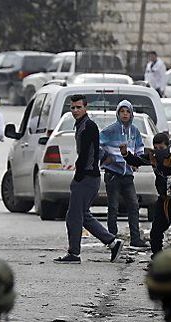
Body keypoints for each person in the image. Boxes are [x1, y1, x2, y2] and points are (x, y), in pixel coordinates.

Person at [53, 94, 124, 264]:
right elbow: (95, 151)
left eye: (79, 107)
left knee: (74, 216)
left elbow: (86, 153)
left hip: (86, 177)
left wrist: (79, 174)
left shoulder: (88, 126)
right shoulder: (82, 125)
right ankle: (112, 242)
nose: (75, 110)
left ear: (86, 108)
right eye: (73, 107)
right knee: (82, 215)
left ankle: (74, 253)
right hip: (89, 176)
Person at [123, 132, 171, 255]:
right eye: (156, 148)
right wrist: (125, 154)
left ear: (168, 146)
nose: (159, 151)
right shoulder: (153, 157)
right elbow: (137, 160)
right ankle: (157, 257)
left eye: (162, 148)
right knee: (156, 232)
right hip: (163, 200)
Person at [100, 100, 148, 246]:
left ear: (131, 114)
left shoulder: (134, 131)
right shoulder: (110, 130)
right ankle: (112, 239)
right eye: (122, 111)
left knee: (133, 205)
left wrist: (136, 162)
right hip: (113, 174)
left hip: (127, 175)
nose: (125, 114)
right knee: (113, 207)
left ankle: (135, 238)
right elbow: (97, 144)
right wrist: (106, 158)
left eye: (127, 111)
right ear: (118, 113)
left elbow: (139, 148)